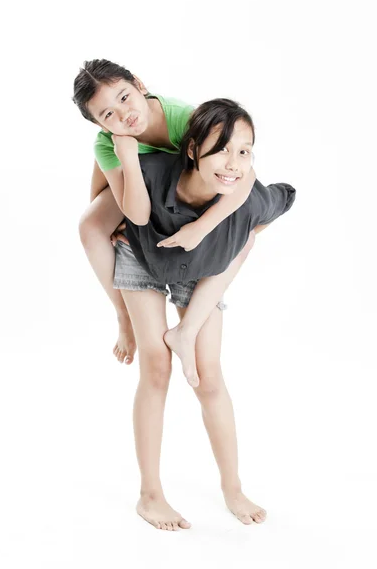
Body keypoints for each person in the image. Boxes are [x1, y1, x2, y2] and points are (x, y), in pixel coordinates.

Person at [109, 98, 296, 530]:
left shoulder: (247, 200)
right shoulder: (153, 172)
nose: (233, 164)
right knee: (156, 368)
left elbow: (283, 200)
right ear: (192, 149)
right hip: (144, 254)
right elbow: (105, 200)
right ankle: (150, 494)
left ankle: (233, 488)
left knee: (208, 375)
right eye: (222, 149)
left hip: (202, 262)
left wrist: (241, 239)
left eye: (244, 151)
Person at [73, 60, 257, 385]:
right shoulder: (109, 143)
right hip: (142, 191)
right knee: (90, 225)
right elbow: (132, 209)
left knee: (248, 232)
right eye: (108, 115)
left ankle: (190, 323)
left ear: (140, 85)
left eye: (124, 97)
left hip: (192, 189)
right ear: (100, 125)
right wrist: (125, 160)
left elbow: (247, 176)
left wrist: (200, 228)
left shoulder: (180, 117)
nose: (123, 114)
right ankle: (123, 315)